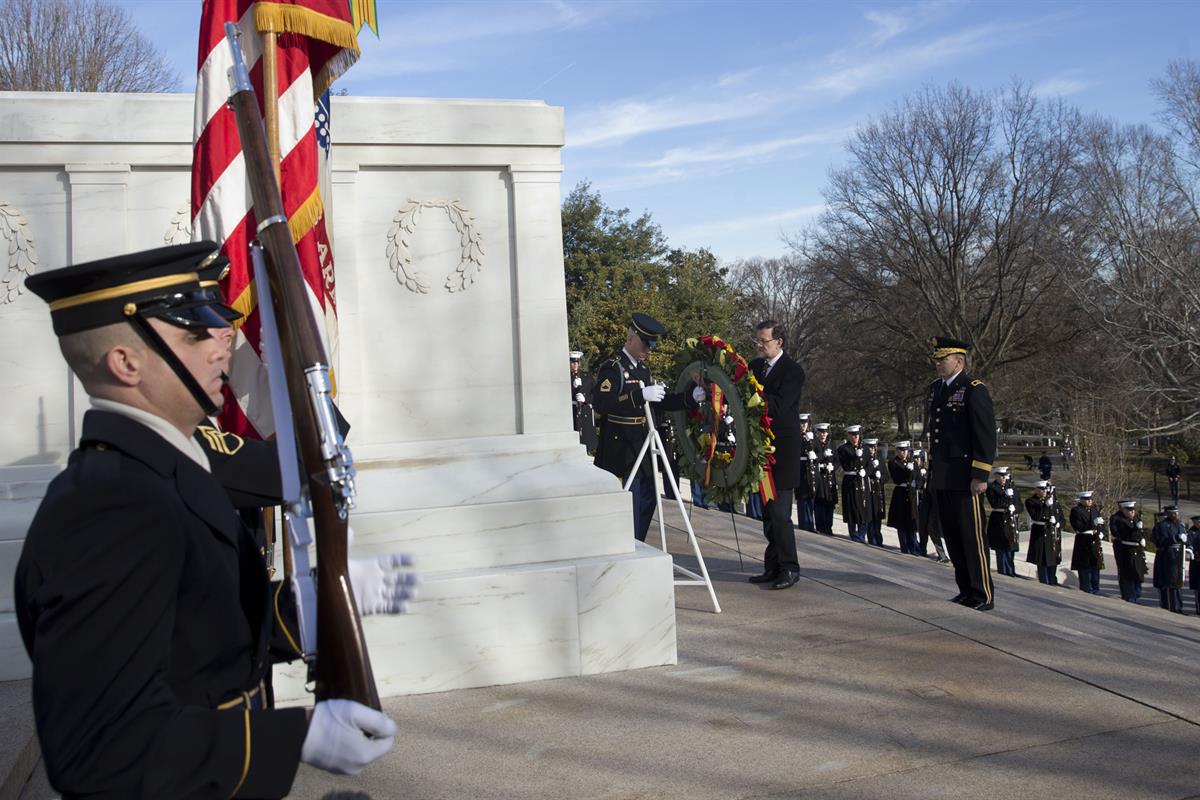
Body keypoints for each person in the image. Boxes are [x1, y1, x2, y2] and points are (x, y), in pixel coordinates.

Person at [16, 243, 397, 799]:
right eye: (196, 331)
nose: (224, 337)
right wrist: (294, 739)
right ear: (127, 363)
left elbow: (196, 631)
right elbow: (100, 751)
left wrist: (306, 609)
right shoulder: (111, 509)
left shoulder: (164, 475)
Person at [592, 313, 699, 542]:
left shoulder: (643, 369)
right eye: (645, 343)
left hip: (642, 446)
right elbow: (603, 404)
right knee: (629, 506)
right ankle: (627, 547)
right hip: (619, 449)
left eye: (652, 344)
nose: (649, 349)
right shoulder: (613, 368)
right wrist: (639, 396)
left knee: (647, 501)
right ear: (631, 339)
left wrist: (689, 398)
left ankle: (637, 544)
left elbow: (659, 401)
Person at [926, 336, 998, 611]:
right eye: (937, 360)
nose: (938, 364)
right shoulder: (936, 389)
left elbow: (985, 434)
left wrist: (980, 475)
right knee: (954, 538)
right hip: (944, 475)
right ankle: (965, 590)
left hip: (966, 477)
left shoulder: (973, 389)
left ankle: (983, 594)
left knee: (972, 537)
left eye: (942, 360)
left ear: (959, 360)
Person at [746, 320, 806, 590]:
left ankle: (790, 567)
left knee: (781, 513)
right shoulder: (755, 367)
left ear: (779, 342)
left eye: (764, 341)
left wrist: (753, 399)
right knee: (768, 513)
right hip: (760, 448)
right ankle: (773, 565)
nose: (759, 346)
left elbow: (780, 405)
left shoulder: (793, 371)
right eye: (757, 341)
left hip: (783, 450)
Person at [914, 448, 950, 563]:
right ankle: (922, 548)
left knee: (933, 528)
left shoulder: (943, 471)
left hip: (937, 503)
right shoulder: (930, 470)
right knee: (923, 526)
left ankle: (943, 554)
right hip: (927, 500)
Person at [1109, 499, 1148, 603]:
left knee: (1137, 572)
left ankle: (1136, 595)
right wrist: (1135, 530)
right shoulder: (1117, 519)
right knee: (1127, 572)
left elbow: (1141, 532)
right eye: (1129, 510)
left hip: (1137, 548)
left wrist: (1142, 537)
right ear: (1123, 510)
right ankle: (1129, 595)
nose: (1132, 512)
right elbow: (1119, 533)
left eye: (1133, 510)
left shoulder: (1136, 519)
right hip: (1125, 549)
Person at [1151, 505, 1188, 613]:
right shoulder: (1163, 525)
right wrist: (1176, 538)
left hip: (1178, 555)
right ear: (1167, 513)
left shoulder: (1180, 525)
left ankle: (1179, 606)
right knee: (1171, 581)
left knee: (1178, 581)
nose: (1175, 515)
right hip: (1168, 555)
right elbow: (1162, 541)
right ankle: (1172, 606)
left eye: (1176, 513)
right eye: (1173, 513)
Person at [1069, 491, 1106, 595]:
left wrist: (1102, 532)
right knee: (1085, 566)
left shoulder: (1095, 510)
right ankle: (1086, 589)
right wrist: (1092, 524)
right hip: (1083, 540)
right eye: (1086, 499)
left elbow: (1101, 524)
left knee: (1095, 566)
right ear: (1081, 500)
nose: (1089, 501)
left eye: (1090, 499)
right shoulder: (1076, 511)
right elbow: (1078, 526)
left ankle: (1095, 588)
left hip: (1094, 540)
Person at [985, 467, 1020, 577]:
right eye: (1001, 476)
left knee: (1011, 548)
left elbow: (1020, 505)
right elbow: (995, 504)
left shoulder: (1011, 487)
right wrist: (1005, 496)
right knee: (1001, 549)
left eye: (1005, 476)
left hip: (1011, 519)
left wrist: (1015, 508)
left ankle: (1011, 571)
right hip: (999, 519)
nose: (1004, 478)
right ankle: (1003, 572)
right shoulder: (992, 488)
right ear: (996, 476)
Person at [886, 441, 920, 555]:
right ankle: (904, 547)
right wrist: (907, 471)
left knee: (911, 520)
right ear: (897, 451)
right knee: (901, 522)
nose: (904, 452)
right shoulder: (893, 462)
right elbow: (897, 478)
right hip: (900, 492)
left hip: (911, 493)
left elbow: (918, 477)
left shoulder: (912, 462)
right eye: (901, 450)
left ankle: (913, 547)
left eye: (905, 450)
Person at [838, 425, 868, 543]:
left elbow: (868, 464)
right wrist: (856, 456)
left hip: (861, 480)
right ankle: (853, 533)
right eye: (853, 435)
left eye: (857, 435)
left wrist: (867, 471)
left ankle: (862, 533)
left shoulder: (864, 448)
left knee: (863, 506)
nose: (855, 437)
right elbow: (847, 466)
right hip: (850, 480)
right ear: (849, 436)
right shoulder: (843, 449)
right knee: (851, 507)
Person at [1025, 481, 1059, 585]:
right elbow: (1036, 516)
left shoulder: (1053, 501)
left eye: (1045, 489)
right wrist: (1045, 506)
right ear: (1036, 490)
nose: (1044, 491)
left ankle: (1052, 581)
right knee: (1041, 559)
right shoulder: (1031, 501)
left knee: (1053, 559)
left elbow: (1060, 516)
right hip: (1039, 531)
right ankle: (1044, 581)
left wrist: (1058, 523)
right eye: (1042, 489)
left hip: (1051, 532)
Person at [813, 423, 839, 535]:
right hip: (819, 476)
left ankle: (828, 526)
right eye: (821, 432)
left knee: (830, 502)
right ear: (817, 433)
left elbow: (837, 460)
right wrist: (823, 455)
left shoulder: (831, 444)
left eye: (825, 432)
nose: (823, 434)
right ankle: (820, 525)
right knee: (819, 502)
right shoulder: (814, 443)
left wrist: (833, 467)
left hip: (829, 476)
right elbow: (813, 458)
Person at [569, 351, 598, 451]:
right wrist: (572, 386)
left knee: (587, 443)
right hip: (572, 412)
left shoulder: (587, 377)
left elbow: (596, 395)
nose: (575, 365)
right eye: (572, 362)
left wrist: (586, 399)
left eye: (577, 362)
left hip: (585, 412)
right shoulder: (566, 378)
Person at [795, 413, 817, 532]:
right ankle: (803, 523)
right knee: (802, 497)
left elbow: (818, 453)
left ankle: (810, 523)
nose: (803, 425)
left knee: (810, 497)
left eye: (805, 423)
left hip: (810, 470)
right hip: (800, 468)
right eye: (801, 423)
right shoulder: (795, 436)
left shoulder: (812, 438)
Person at [863, 438, 886, 546]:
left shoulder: (880, 459)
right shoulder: (864, 460)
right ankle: (871, 538)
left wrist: (881, 477)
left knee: (878, 516)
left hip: (878, 491)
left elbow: (886, 475)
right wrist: (871, 466)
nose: (872, 450)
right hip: (869, 489)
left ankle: (878, 539)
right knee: (870, 516)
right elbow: (864, 473)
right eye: (869, 447)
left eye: (873, 447)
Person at [1187, 515, 1200, 614]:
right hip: (1197, 562)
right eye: (1197, 522)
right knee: (1198, 588)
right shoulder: (1192, 532)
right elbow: (1189, 544)